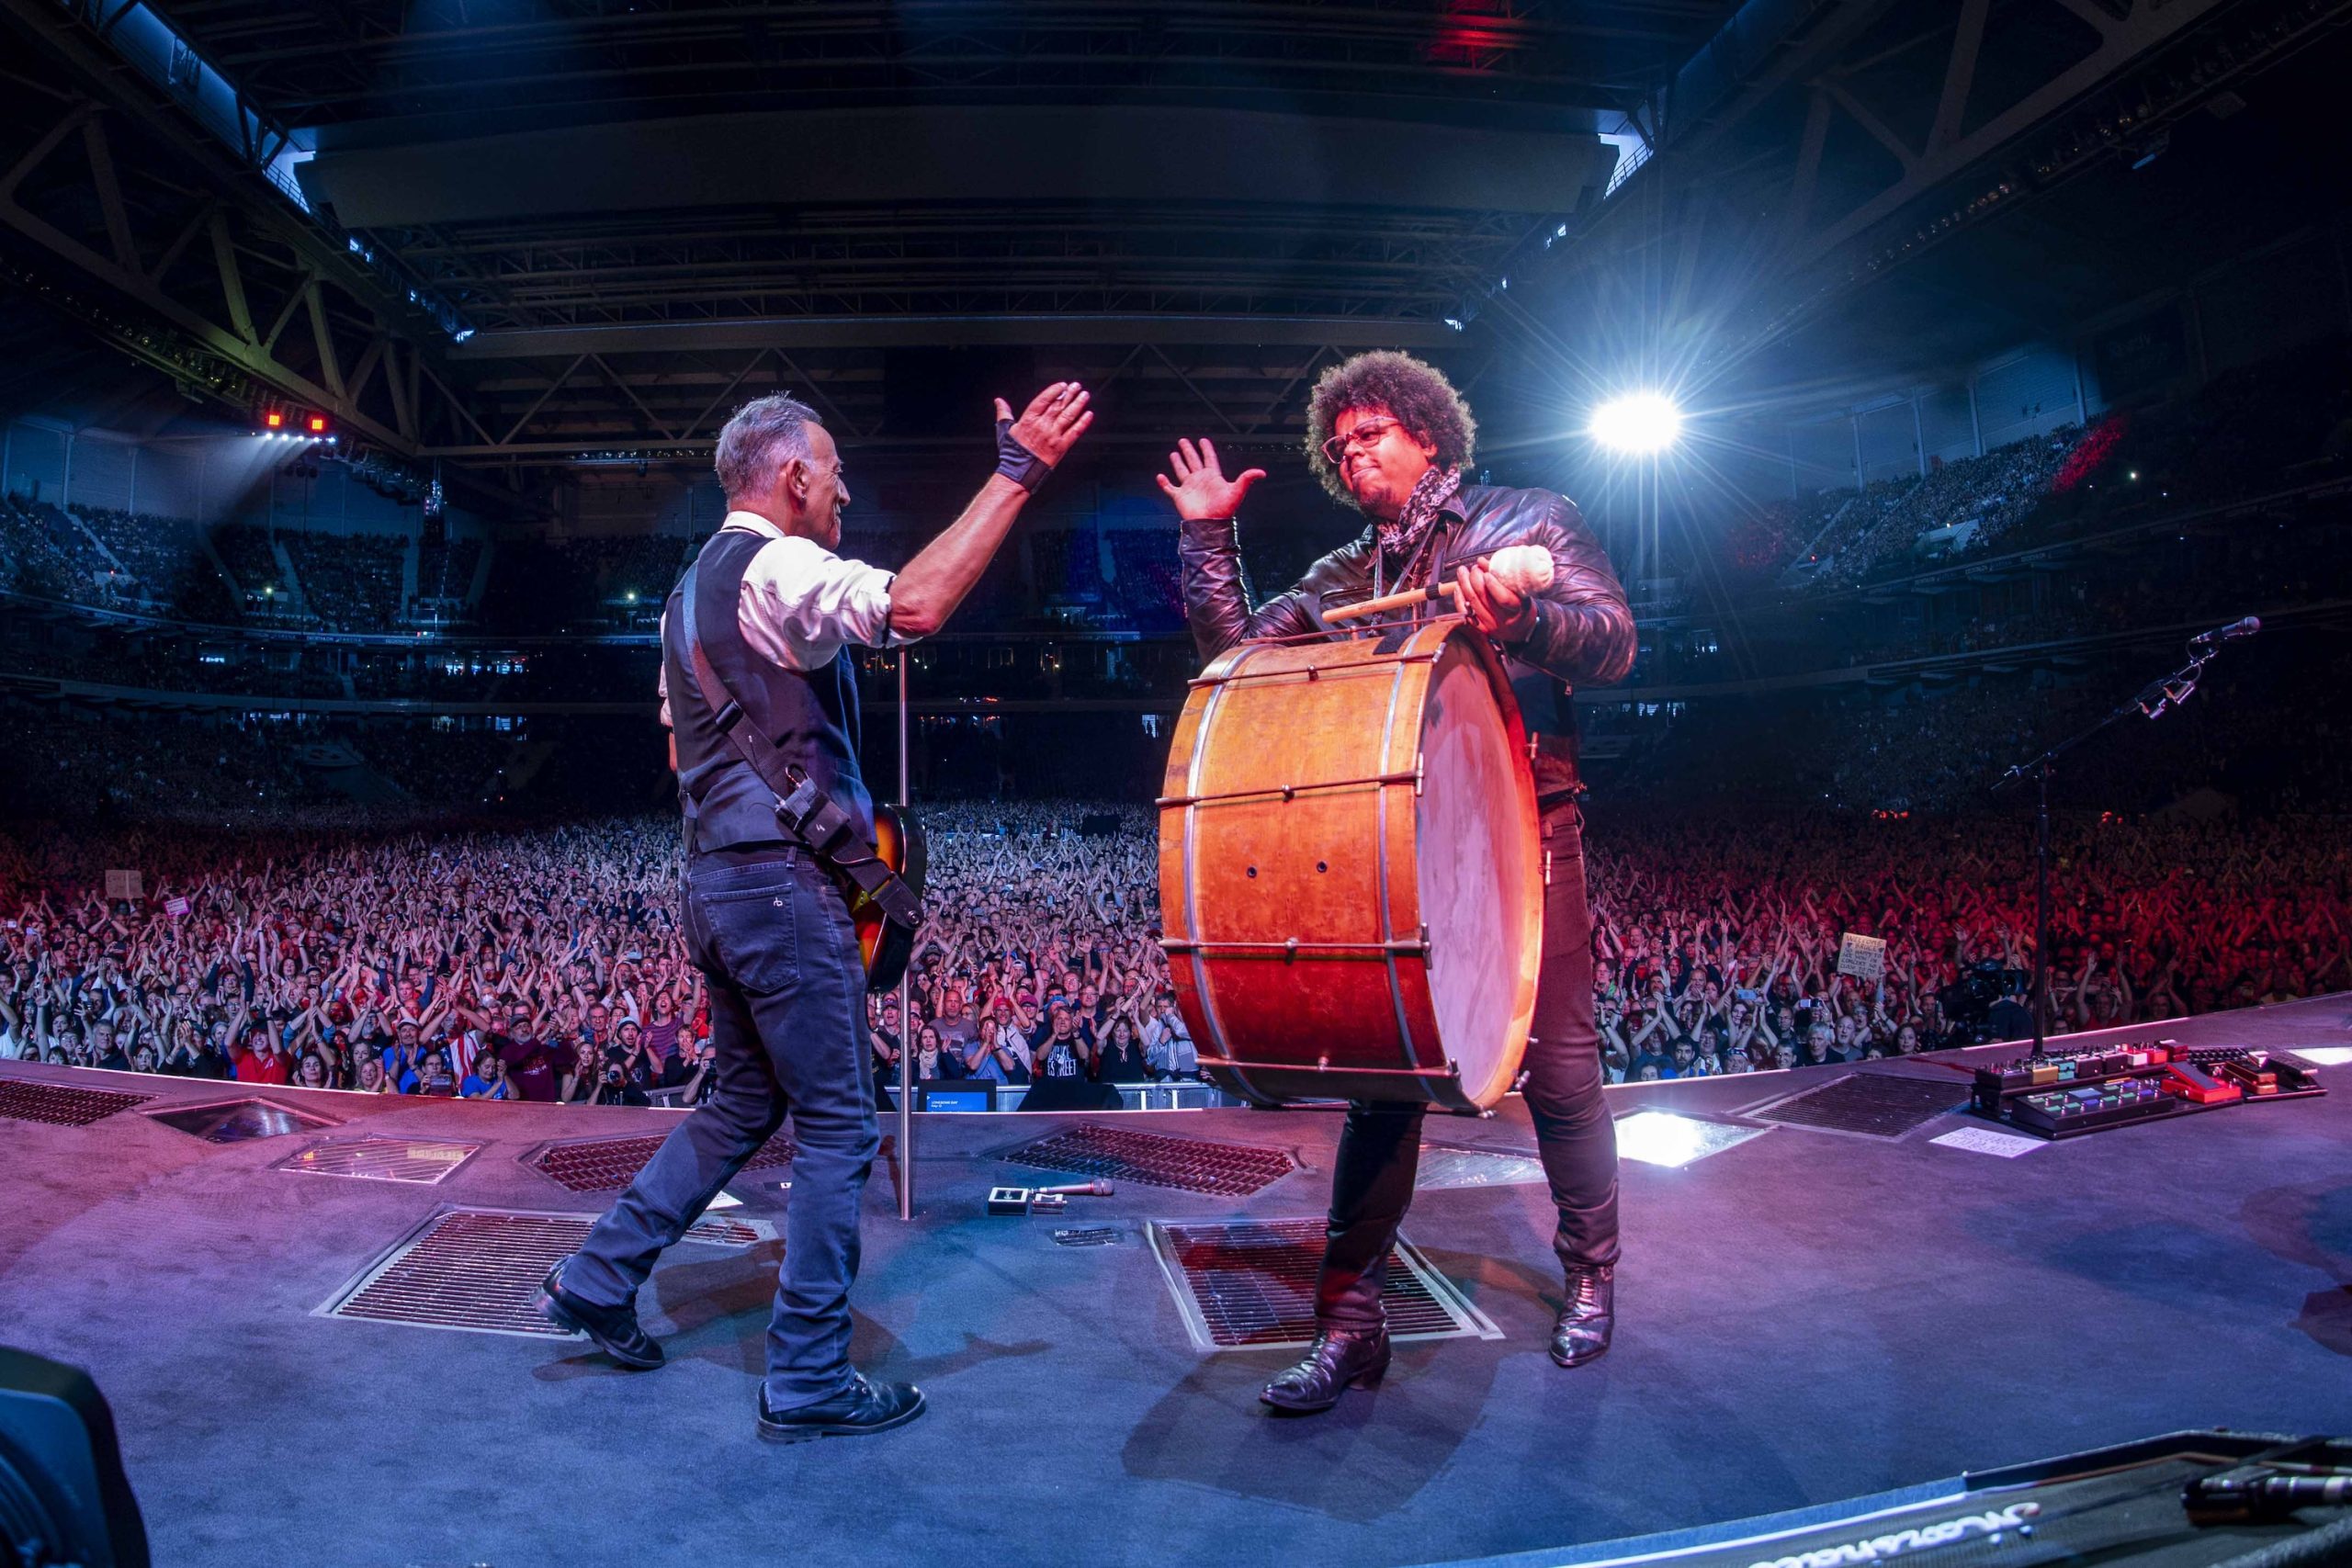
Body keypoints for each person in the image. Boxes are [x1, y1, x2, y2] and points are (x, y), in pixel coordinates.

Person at [542, 381, 1092, 1443]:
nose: (846, 491)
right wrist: (1016, 474)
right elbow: (914, 606)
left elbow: (682, 750)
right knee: (838, 1125)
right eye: (835, 473)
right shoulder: (777, 565)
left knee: (741, 1105)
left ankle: (598, 1277)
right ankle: (805, 1375)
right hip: (782, 889)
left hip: (716, 880)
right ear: (793, 476)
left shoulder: (684, 597)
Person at [1163, 348, 1635, 1413]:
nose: (1351, 454)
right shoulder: (1344, 575)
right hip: (1391, 846)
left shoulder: (1530, 518)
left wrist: (1526, 623)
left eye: (1368, 434)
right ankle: (1350, 1324)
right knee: (1384, 1086)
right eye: (1338, 447)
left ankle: (1591, 1277)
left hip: (1526, 828)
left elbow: (1613, 643)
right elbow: (1236, 662)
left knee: (1559, 1074)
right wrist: (1206, 539)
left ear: (1428, 432)